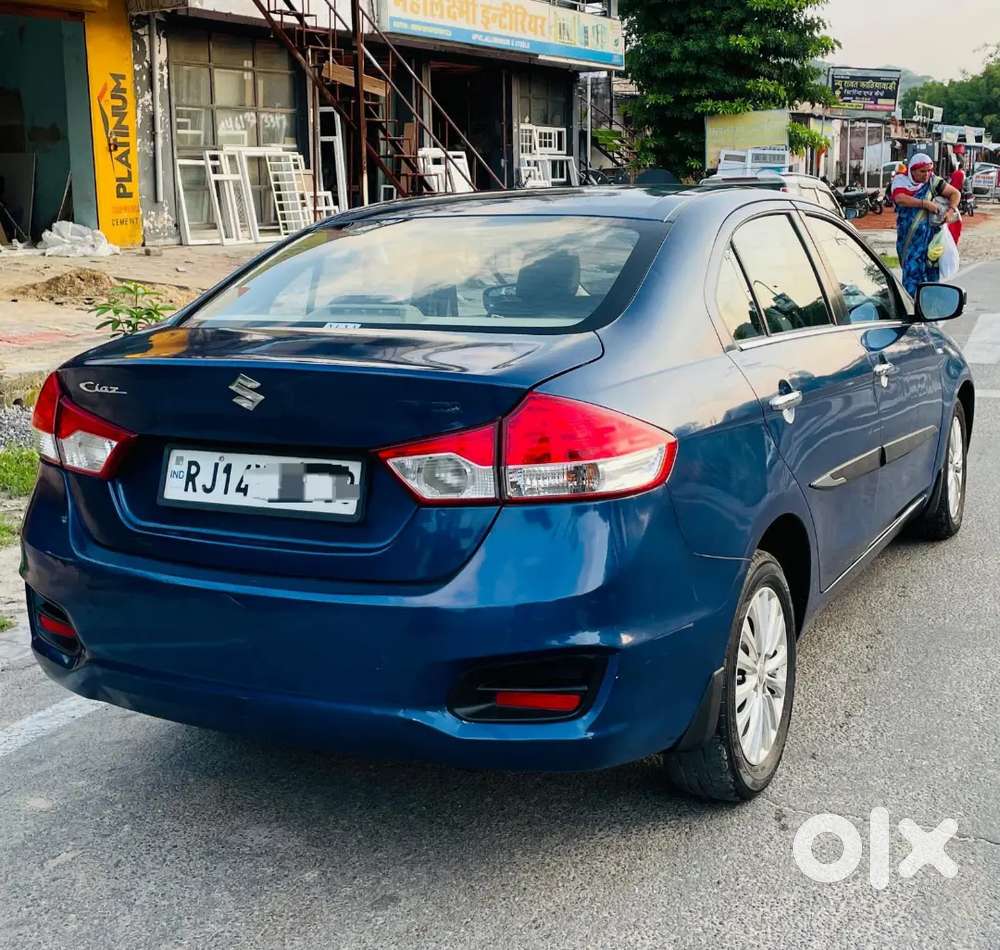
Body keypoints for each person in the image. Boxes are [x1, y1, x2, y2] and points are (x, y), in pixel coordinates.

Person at [891, 153, 960, 295]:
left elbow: (955, 194)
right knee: (911, 273)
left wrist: (951, 210)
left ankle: (929, 310)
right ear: (912, 170)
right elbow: (900, 198)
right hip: (909, 240)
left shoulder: (933, 182)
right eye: (922, 171)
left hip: (930, 241)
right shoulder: (900, 181)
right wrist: (925, 204)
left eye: (929, 171)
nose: (926, 174)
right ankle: (912, 309)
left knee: (930, 275)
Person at [948, 158, 966, 245]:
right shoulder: (962, 173)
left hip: (951, 190)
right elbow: (962, 182)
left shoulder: (954, 173)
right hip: (957, 190)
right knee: (957, 202)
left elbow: (950, 180)